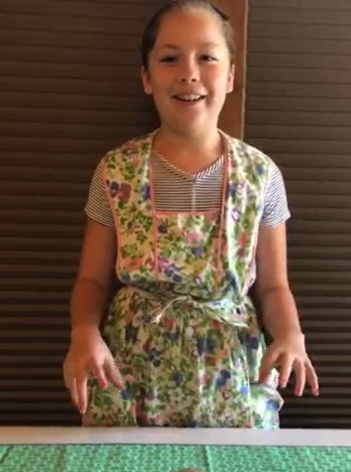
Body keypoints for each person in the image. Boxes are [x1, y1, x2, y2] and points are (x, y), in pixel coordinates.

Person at [63, 0, 319, 428]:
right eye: (169, 58)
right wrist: (83, 334)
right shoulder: (114, 171)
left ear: (231, 75)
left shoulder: (262, 175)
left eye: (207, 57)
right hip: (130, 373)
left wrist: (291, 335)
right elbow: (91, 279)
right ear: (147, 78)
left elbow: (274, 286)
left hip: (232, 371)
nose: (189, 72)